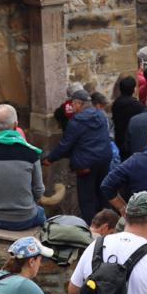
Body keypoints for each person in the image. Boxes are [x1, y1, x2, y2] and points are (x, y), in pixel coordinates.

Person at [0, 104, 47, 231]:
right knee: (41, 213)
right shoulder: (31, 154)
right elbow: (38, 190)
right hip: (24, 219)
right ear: (16, 125)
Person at [49, 86, 114, 219]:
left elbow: (65, 145)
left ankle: (91, 228)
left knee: (87, 199)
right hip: (104, 160)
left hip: (86, 164)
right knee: (102, 195)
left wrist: (50, 158)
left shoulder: (76, 121)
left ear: (79, 103)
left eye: (73, 103)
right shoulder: (101, 115)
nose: (72, 106)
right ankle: (108, 225)